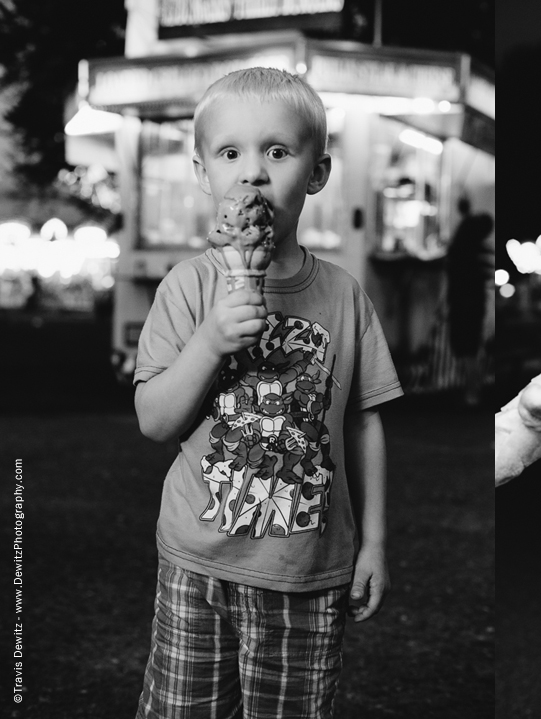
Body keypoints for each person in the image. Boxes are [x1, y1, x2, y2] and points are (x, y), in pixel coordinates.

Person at [131, 67, 403, 718]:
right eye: (230, 153)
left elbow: (364, 422)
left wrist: (374, 543)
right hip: (197, 560)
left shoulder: (343, 295)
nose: (253, 172)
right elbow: (154, 420)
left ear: (317, 172)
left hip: (306, 568)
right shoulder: (187, 288)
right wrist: (211, 340)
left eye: (277, 151)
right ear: (202, 172)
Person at [445, 197, 494, 406]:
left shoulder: (460, 249)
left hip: (461, 300)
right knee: (472, 348)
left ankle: (471, 391)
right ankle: (472, 390)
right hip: (475, 301)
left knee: (465, 348)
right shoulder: (480, 250)